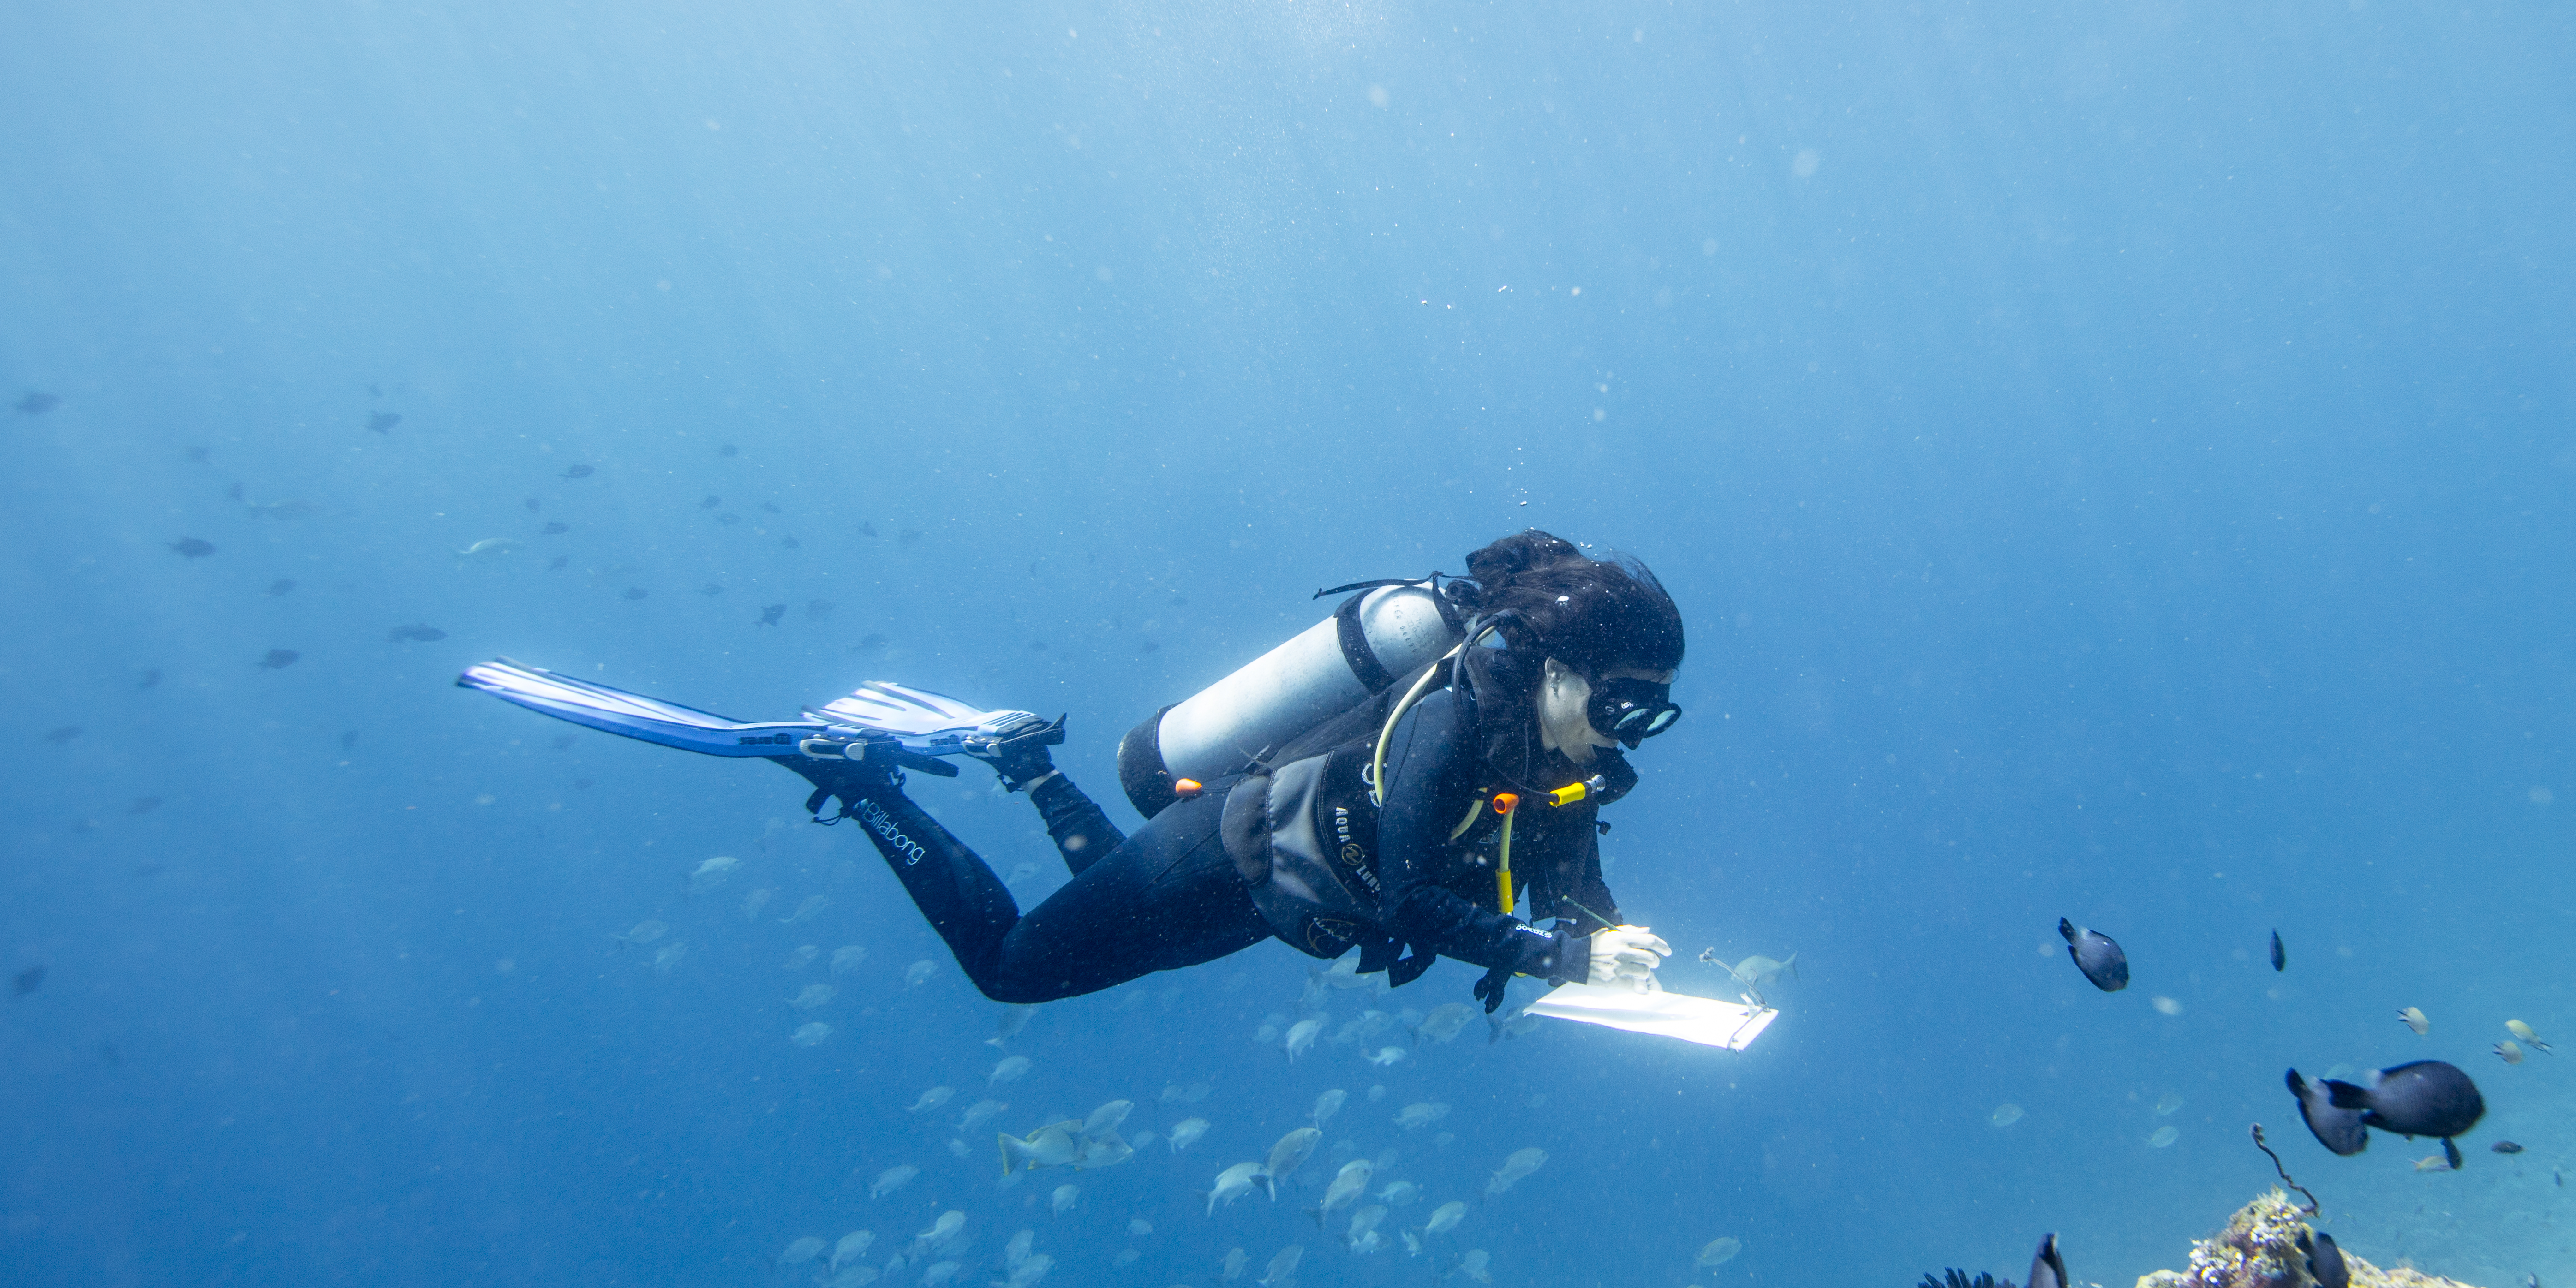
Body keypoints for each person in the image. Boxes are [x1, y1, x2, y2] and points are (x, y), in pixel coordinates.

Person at [460, 531, 1684, 1009]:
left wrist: (1610, 941)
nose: (1630, 731)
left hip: (1253, 891)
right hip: (1223, 855)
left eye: (1655, 716)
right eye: (1623, 701)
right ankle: (859, 777)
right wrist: (1559, 957)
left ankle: (1029, 768)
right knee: (1010, 973)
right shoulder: (1451, 727)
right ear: (1553, 665)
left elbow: (1566, 865)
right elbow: (1415, 894)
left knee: (1131, 926)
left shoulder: (1555, 755)